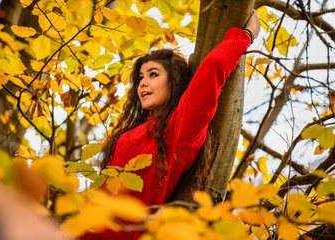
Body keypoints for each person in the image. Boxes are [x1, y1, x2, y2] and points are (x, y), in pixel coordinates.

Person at [80, 10, 261, 240]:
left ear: (174, 81)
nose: (143, 83)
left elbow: (213, 67)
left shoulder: (179, 129)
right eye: (140, 78)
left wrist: (246, 35)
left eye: (153, 74)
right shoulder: (135, 130)